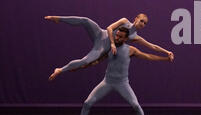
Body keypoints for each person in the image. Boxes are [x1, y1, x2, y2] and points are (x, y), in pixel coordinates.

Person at [67, 26, 174, 115]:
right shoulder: (109, 48)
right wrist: (77, 68)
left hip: (122, 83)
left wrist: (165, 58)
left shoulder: (131, 50)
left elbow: (148, 56)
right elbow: (95, 61)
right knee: (87, 103)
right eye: (116, 35)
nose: (117, 38)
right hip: (107, 82)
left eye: (120, 37)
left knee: (136, 105)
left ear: (125, 39)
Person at [45, 14, 174, 80]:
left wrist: (167, 51)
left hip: (101, 48)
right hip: (100, 33)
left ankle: (60, 69)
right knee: (86, 20)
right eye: (141, 21)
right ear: (136, 18)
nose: (142, 24)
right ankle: (58, 19)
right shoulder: (124, 21)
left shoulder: (135, 37)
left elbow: (153, 46)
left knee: (85, 61)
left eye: (145, 24)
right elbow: (109, 28)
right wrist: (112, 43)